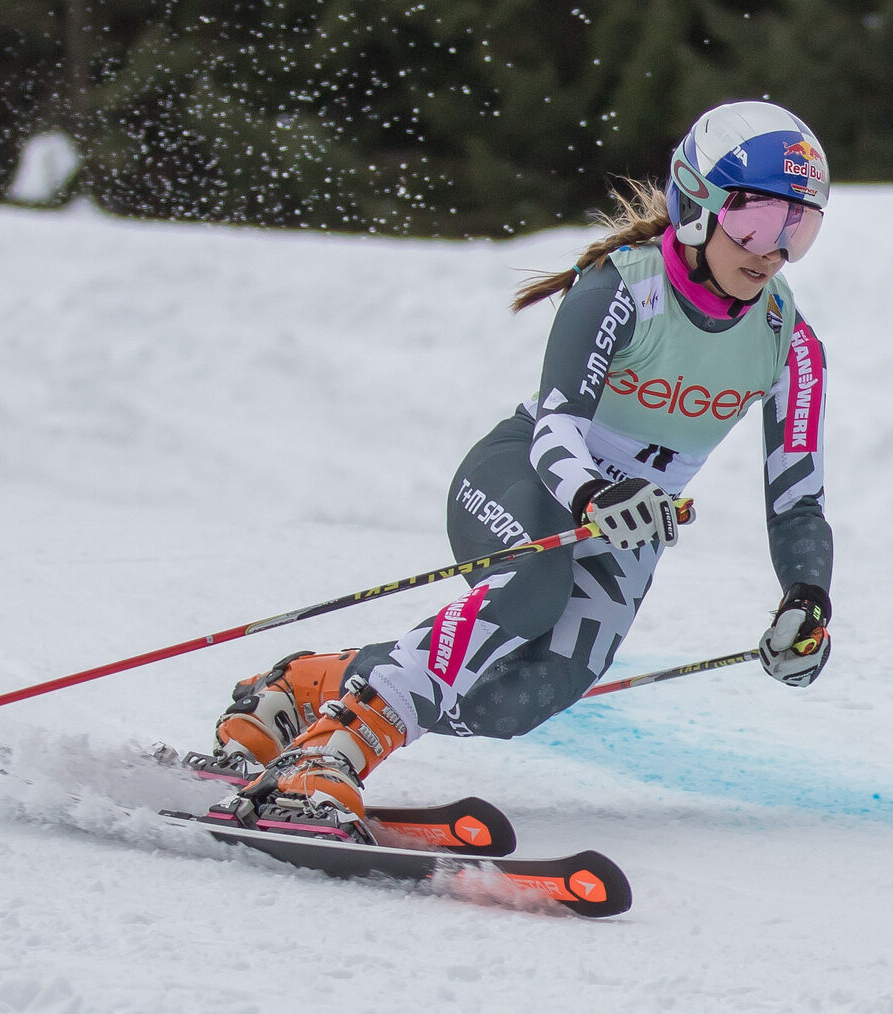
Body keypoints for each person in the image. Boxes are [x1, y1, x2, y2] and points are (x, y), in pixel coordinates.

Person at [206, 100, 835, 838]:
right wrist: (599, 494)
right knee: (532, 590)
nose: (772, 249)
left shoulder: (788, 342)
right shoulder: (621, 289)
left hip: (626, 526)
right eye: (757, 219)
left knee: (519, 699)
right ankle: (333, 751)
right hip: (530, 478)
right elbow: (557, 431)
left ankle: (306, 686)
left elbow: (798, 500)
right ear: (696, 201)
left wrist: (808, 600)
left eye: (800, 226)